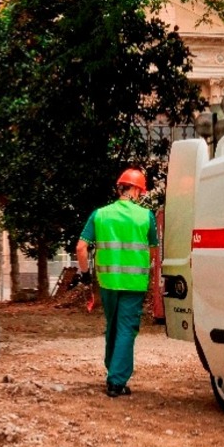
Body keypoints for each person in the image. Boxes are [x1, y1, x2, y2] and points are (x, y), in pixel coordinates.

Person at [76, 168, 158, 398]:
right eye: (140, 192)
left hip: (108, 282)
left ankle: (112, 369)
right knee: (126, 329)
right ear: (135, 190)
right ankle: (116, 381)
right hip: (134, 284)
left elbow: (81, 248)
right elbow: (153, 252)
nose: (140, 196)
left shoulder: (100, 215)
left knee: (113, 325)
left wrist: (85, 276)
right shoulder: (146, 216)